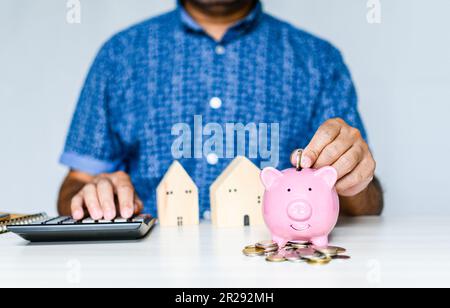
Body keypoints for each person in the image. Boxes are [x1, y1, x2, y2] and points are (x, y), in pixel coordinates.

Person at [57, 0, 383, 221]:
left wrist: (354, 179)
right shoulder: (120, 55)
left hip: (281, 269)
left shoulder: (319, 59)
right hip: (147, 271)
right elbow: (74, 186)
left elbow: (368, 206)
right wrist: (93, 193)